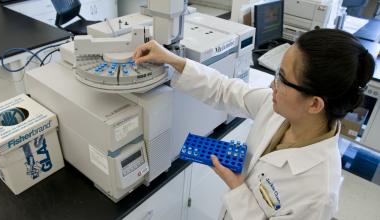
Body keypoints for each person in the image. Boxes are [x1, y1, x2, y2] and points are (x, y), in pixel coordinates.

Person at [133, 28, 375, 219]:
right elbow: (225, 90)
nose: (272, 85)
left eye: (282, 79)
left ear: (314, 104)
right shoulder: (280, 110)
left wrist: (238, 191)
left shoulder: (318, 193)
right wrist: (173, 60)